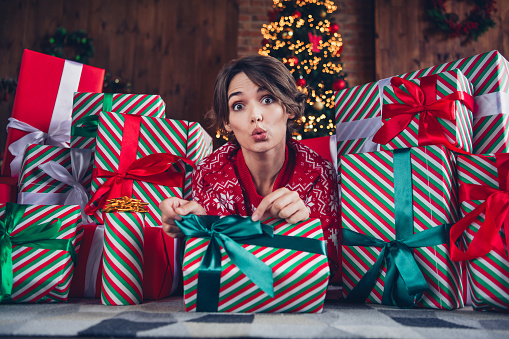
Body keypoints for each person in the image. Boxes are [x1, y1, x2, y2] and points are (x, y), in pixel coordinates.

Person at [160, 55, 341, 283]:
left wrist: (305, 227)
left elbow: (330, 269)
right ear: (226, 122)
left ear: (289, 109)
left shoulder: (319, 174)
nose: (255, 116)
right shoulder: (209, 173)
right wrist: (197, 225)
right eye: (238, 106)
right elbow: (210, 265)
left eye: (267, 99)